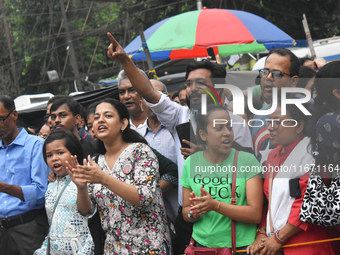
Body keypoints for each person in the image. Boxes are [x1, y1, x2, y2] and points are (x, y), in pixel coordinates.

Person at [106, 33, 254, 254]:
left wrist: (207, 153)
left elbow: (248, 169)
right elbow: (148, 91)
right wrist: (125, 61)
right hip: (189, 217)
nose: (191, 89)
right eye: (188, 83)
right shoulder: (181, 116)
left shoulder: (237, 124)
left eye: (200, 83)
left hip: (227, 217)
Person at [68, 98, 172, 254]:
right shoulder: (96, 161)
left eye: (108, 116)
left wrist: (103, 178)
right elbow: (87, 211)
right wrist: (81, 188)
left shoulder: (140, 151)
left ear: (123, 124)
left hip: (149, 246)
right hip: (114, 249)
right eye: (96, 118)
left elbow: (144, 198)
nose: (100, 120)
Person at [247, 101, 334, 255]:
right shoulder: (273, 155)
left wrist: (279, 238)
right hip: (274, 243)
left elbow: (309, 201)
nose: (270, 127)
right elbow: (270, 201)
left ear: (299, 126)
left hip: (306, 244)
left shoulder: (312, 154)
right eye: (269, 121)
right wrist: (261, 232)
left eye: (277, 122)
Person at [181, 105, 263, 253]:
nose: (227, 133)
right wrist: (194, 213)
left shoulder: (247, 161)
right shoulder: (191, 163)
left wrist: (215, 205)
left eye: (229, 127)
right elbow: (186, 210)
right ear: (203, 134)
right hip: (201, 247)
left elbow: (255, 214)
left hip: (239, 248)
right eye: (219, 128)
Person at [0, 95, 50, 254]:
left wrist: (4, 187)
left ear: (14, 115)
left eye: (1, 119)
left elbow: (42, 193)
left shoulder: (36, 145)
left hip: (29, 226)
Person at [34, 130, 95, 255]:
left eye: (60, 153)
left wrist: (81, 187)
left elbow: (87, 212)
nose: (54, 158)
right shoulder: (51, 186)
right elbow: (51, 227)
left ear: (74, 153)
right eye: (49, 155)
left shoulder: (87, 178)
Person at [251, 48, 300, 165]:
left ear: (293, 82)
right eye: (265, 72)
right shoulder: (258, 115)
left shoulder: (309, 111)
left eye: (277, 74)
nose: (268, 77)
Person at [117, 68, 148, 133]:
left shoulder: (161, 120)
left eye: (132, 90)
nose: (126, 96)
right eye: (122, 92)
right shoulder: (118, 128)